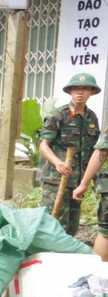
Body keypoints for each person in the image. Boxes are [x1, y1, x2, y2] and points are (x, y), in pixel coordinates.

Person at [41, 73, 100, 235]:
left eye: (84, 89)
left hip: (78, 181)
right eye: (75, 89)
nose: (79, 93)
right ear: (70, 92)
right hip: (56, 179)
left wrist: (92, 178)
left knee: (72, 225)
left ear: (92, 92)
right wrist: (57, 162)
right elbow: (43, 145)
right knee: (52, 223)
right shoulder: (58, 115)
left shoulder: (92, 118)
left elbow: (93, 151)